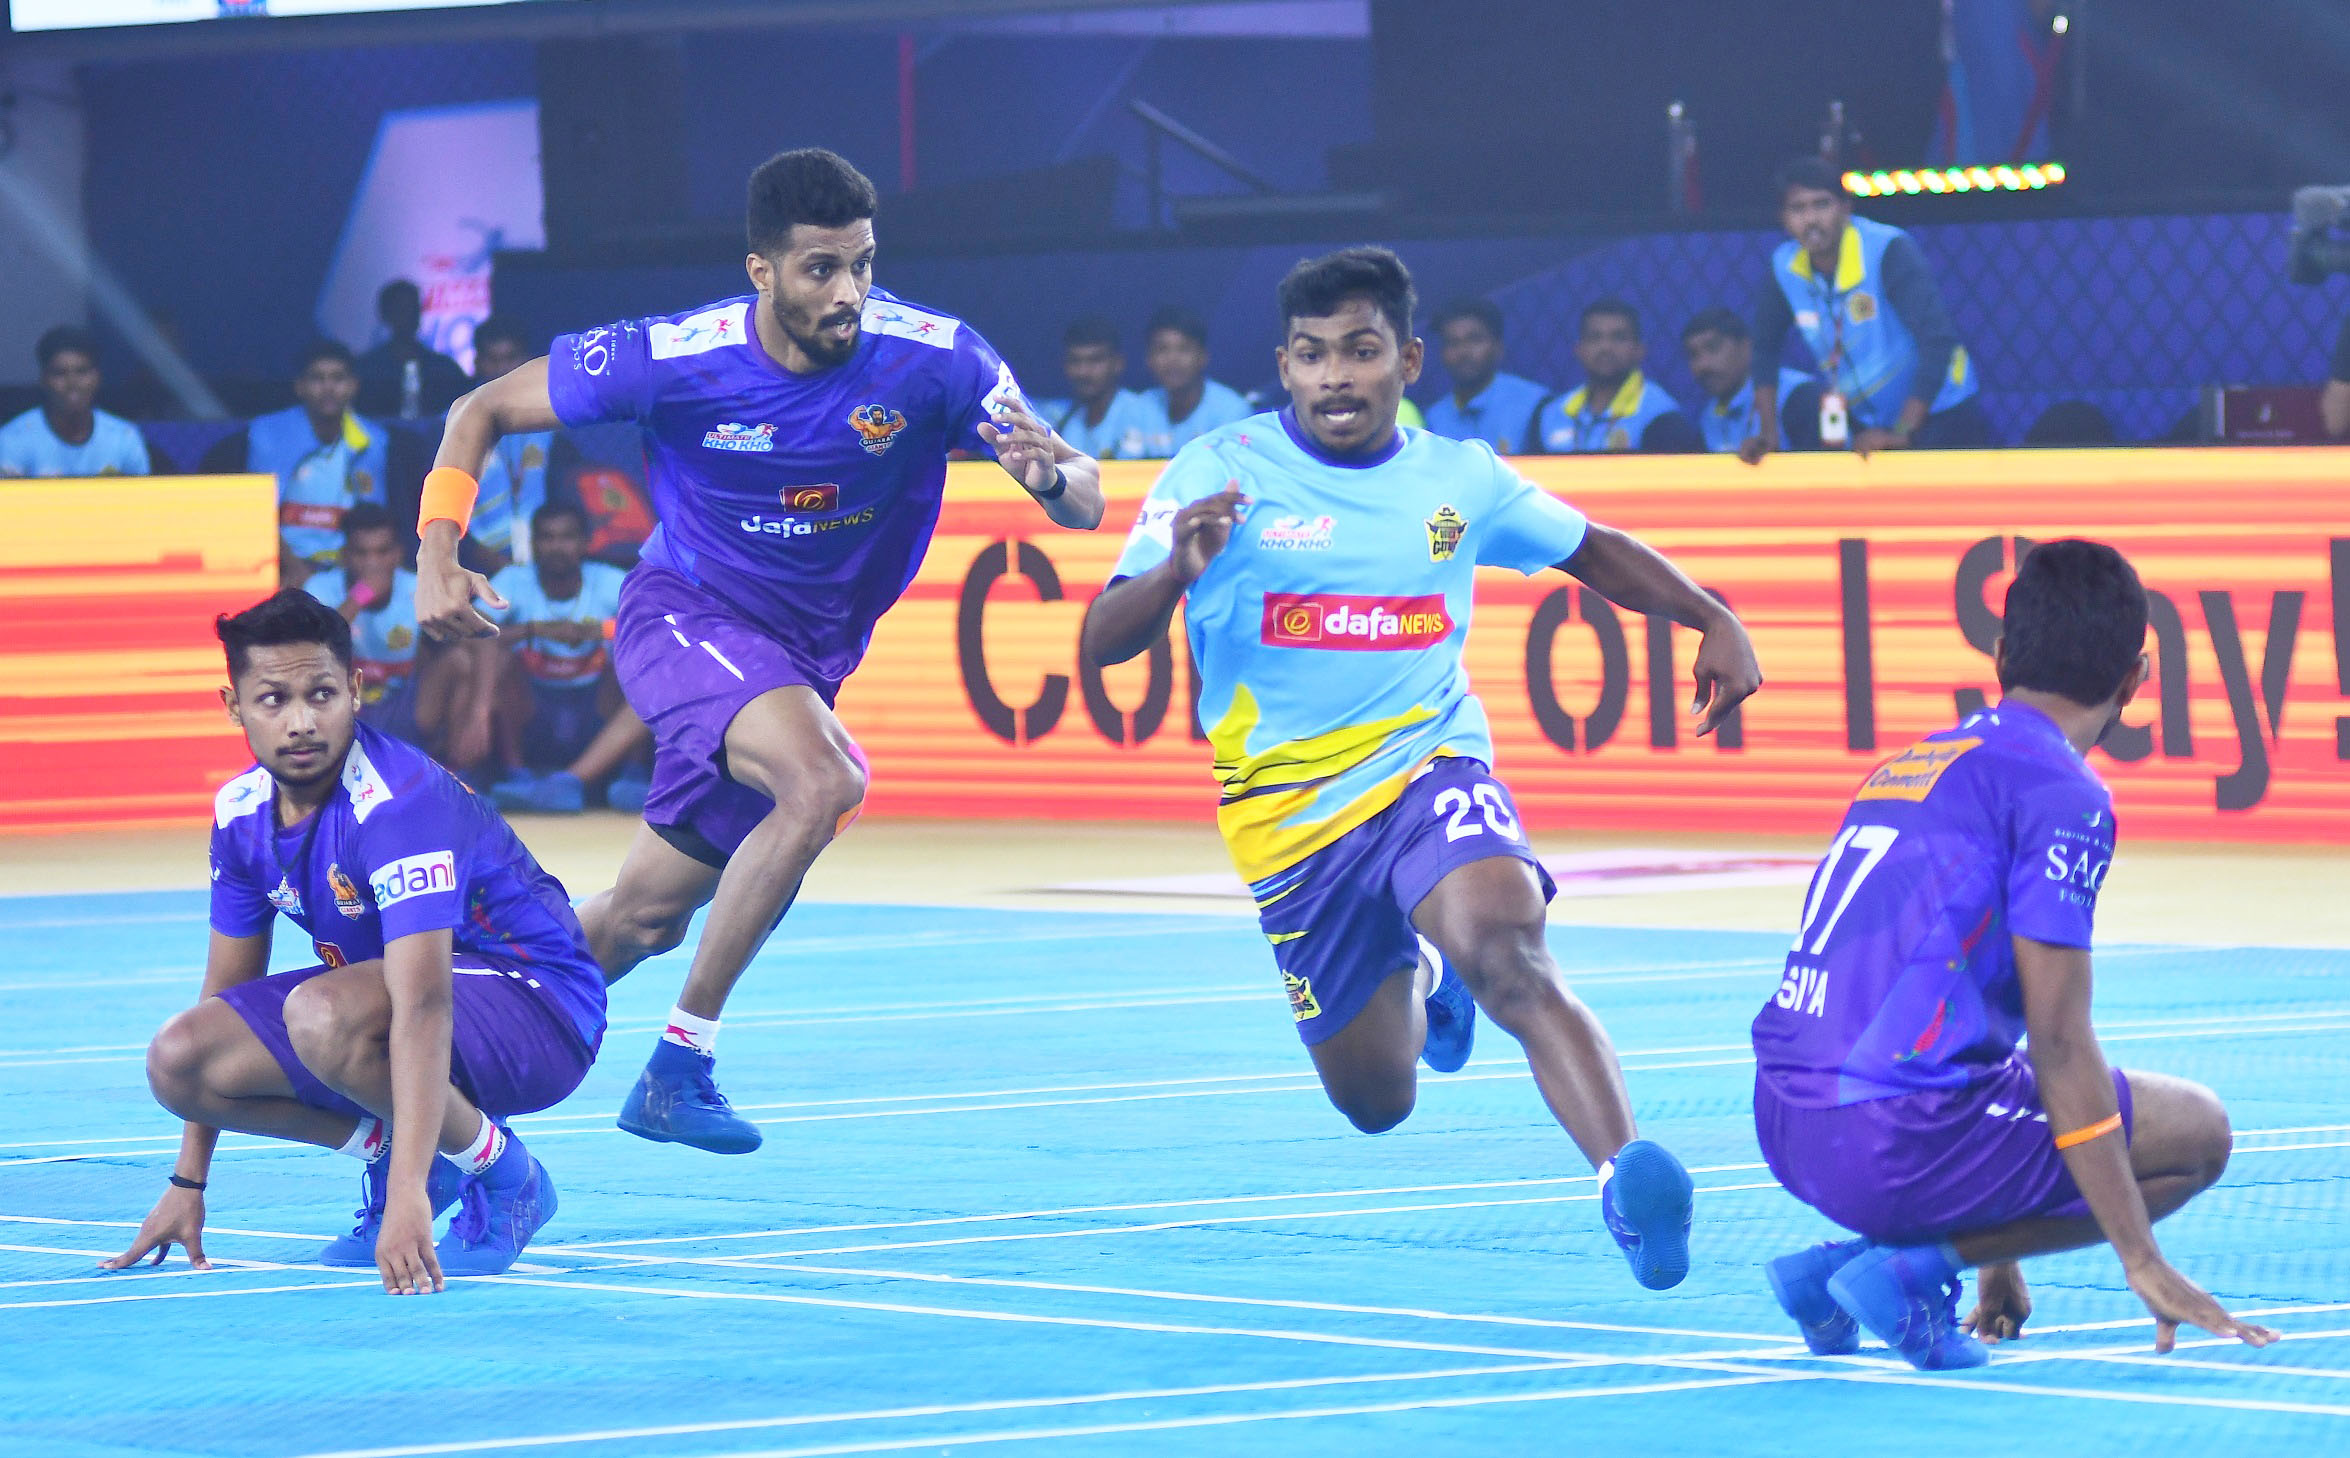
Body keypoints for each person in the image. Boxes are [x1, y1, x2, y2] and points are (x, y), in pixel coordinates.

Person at [1079, 246, 1764, 1291]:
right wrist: (1176, 570)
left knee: (1513, 956)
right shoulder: (1215, 474)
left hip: (1428, 766)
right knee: (1377, 1103)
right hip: (1285, 817)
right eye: (1311, 356)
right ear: (1285, 367)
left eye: (1359, 352)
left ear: (1404, 359)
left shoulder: (1460, 479)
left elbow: (1592, 548)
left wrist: (1710, 614)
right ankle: (1424, 973)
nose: (1335, 377)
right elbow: (1100, 643)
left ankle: (1625, 1173)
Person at [413, 148, 1104, 1153]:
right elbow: (477, 412)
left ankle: (419, 1062)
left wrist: (1055, 479)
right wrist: (439, 552)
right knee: (822, 781)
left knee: (640, 920)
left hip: (797, 668)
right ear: (761, 272)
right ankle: (679, 1066)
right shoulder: (676, 355)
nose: (850, 293)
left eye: (863, 264)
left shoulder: (938, 357)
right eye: (821, 269)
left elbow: (1080, 496)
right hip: (683, 618)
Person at [1751, 539, 2277, 1369]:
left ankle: (1837, 1271)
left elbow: (1983, 1039)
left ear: (1999, 657)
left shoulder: (1913, 762)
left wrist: (2004, 1256)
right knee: (2198, 1135)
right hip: (1888, 1145)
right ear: (2136, 679)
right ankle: (1911, 1269)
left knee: (1973, 1082)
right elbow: (2059, 1043)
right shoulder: (2065, 794)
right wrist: (2141, 1259)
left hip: (1783, 1120)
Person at [100, 590, 606, 1291]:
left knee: (323, 1015)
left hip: (539, 1009)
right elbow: (227, 996)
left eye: (322, 694)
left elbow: (423, 1004)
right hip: (395, 1007)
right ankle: (413, 1150)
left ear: (357, 691)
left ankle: (504, 1175)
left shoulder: (397, 804)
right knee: (182, 1061)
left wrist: (405, 1202)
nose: (301, 721)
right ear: (233, 706)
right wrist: (189, 1180)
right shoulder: (240, 813)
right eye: (273, 700)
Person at [1743, 157, 1989, 463]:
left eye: (1822, 205)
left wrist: (1904, 431)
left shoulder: (1887, 249)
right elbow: (1764, 350)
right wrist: (1768, 432)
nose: (1811, 219)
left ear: (1846, 209)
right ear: (1784, 219)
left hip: (1941, 414)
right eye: (1798, 208)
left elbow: (1937, 342)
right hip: (1870, 424)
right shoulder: (1784, 266)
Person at [486, 502, 649, 814]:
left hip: (598, 707)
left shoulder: (610, 581)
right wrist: (537, 631)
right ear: (533, 544)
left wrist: (598, 630)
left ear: (586, 543)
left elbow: (656, 626)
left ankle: (628, 777)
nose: (557, 547)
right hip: (535, 710)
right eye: (547, 538)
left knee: (642, 664)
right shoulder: (513, 580)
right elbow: (472, 635)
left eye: (567, 538)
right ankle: (518, 778)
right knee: (498, 661)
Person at [302, 503, 491, 772]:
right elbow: (313, 648)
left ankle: (454, 774)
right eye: (362, 553)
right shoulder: (320, 588)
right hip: (346, 709)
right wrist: (360, 596)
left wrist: (478, 713)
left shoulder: (417, 588)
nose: (373, 562)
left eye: (382, 552)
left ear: (398, 554)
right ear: (345, 555)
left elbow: (480, 637)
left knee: (460, 660)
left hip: (406, 705)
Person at [248, 340, 388, 587]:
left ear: (353, 386)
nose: (328, 388)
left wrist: (346, 579)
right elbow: (256, 514)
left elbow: (373, 522)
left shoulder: (374, 440)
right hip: (282, 567)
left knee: (381, 589)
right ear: (299, 386)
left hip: (350, 571)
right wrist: (296, 570)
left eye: (338, 378)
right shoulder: (267, 434)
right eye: (317, 378)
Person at [464, 315, 578, 573]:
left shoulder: (554, 424)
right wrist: (474, 555)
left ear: (526, 361)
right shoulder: (453, 429)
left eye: (510, 358)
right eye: (493, 359)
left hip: (544, 566)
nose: (503, 369)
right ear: (477, 363)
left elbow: (565, 503)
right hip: (471, 565)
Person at [1528, 301, 1702, 454]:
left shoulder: (1659, 414)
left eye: (1618, 338)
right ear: (1579, 350)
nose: (1606, 347)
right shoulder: (1551, 413)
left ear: (1639, 350)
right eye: (1595, 338)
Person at [0, 326, 152, 478]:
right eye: (60, 373)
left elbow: (144, 499)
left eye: (82, 372)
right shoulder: (13, 440)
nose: (72, 384)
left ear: (97, 377)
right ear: (43, 380)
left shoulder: (124, 438)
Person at [1680, 308, 1820, 454]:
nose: (1703, 365)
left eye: (1713, 348)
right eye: (1693, 355)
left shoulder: (1797, 395)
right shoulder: (1710, 417)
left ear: (1747, 347)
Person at [1421, 298, 1548, 454]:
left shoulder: (1535, 404)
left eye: (1474, 340)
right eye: (1453, 343)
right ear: (1442, 354)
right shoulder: (1435, 417)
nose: (1463, 352)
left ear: (1498, 347)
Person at [1133, 306, 1253, 457]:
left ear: (1203, 357)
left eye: (1183, 349)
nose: (1172, 360)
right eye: (1162, 349)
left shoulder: (1232, 411)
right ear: (1149, 359)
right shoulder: (1140, 406)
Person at [355, 280, 472, 421]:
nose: (408, 316)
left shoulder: (445, 368)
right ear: (385, 315)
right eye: (400, 309)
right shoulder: (366, 370)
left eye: (413, 309)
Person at [1040, 316, 1151, 459]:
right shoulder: (1062, 420)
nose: (1083, 371)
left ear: (1118, 363)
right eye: (1075, 361)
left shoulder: (1143, 412)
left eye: (1095, 360)